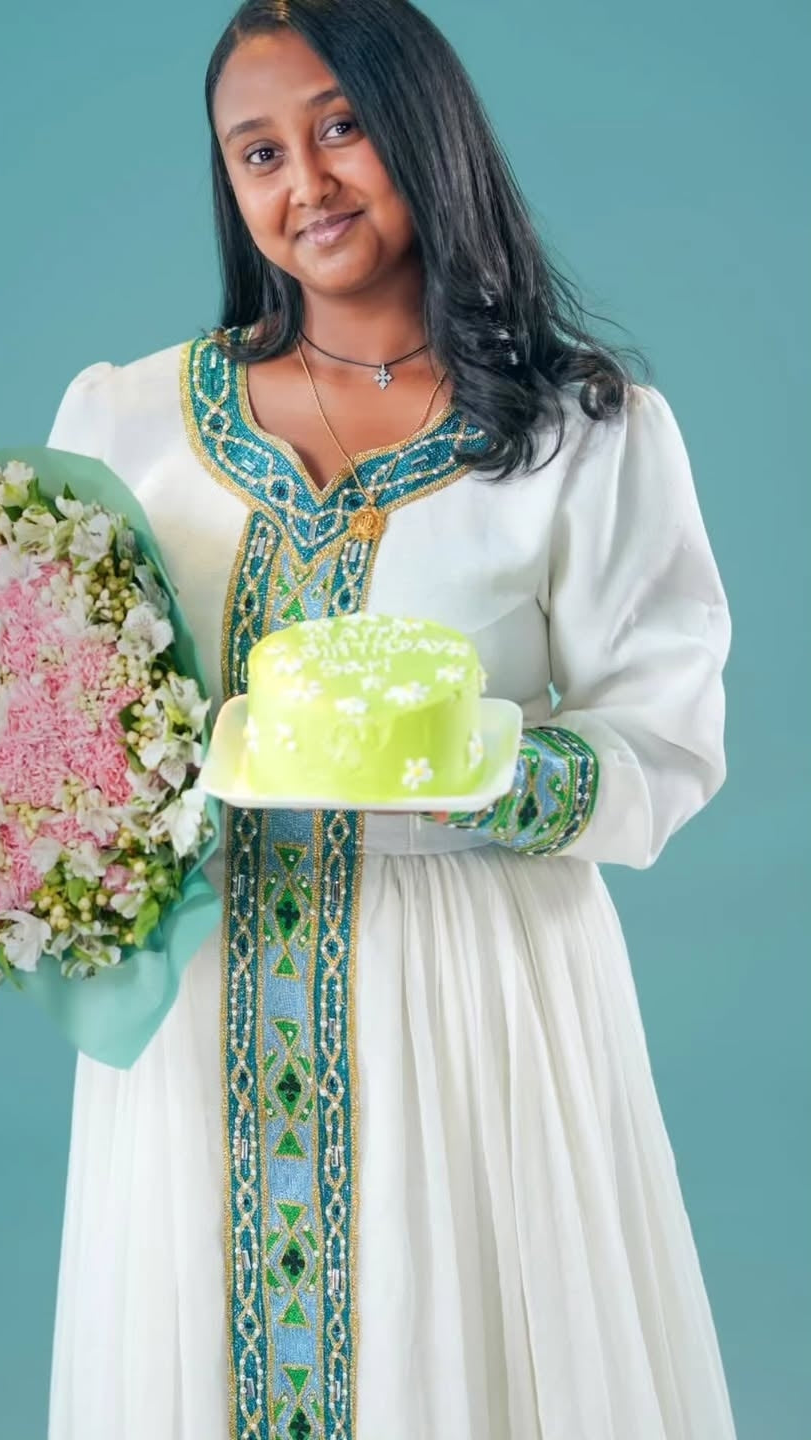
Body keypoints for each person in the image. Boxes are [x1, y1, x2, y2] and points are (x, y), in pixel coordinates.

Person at [44, 2, 738, 1436]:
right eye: (258, 151)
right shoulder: (128, 422)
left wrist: (467, 774)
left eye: (341, 126)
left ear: (426, 127)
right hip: (202, 1006)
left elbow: (662, 738)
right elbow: (62, 710)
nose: (306, 183)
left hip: (472, 990)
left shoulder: (581, 429)